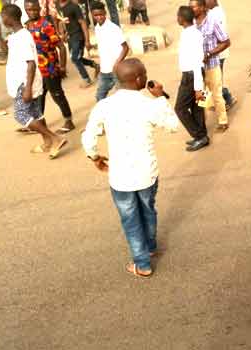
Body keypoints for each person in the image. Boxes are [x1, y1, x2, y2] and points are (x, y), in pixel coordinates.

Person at [81, 58, 179, 278]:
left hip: (121, 177)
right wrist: (161, 97)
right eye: (144, 74)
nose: (146, 77)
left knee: (130, 219)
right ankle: (151, 247)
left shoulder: (104, 105)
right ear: (139, 79)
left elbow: (88, 137)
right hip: (147, 173)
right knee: (148, 210)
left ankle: (142, 263)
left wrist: (95, 156)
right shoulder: (149, 104)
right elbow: (173, 126)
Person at [0, 4, 66, 158]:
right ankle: (47, 142)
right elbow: (7, 52)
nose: (1, 19)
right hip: (24, 82)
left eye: (2, 16)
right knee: (35, 112)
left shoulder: (23, 37)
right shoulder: (15, 36)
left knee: (20, 114)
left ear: (8, 18)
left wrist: (27, 88)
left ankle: (55, 138)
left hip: (24, 83)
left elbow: (31, 63)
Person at [24, 0, 74, 134]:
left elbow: (61, 47)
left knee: (57, 94)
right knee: (39, 96)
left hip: (50, 68)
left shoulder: (46, 25)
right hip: (37, 70)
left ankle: (69, 120)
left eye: (35, 9)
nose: (32, 12)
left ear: (38, 9)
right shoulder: (27, 26)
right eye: (29, 10)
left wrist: (62, 67)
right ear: (25, 10)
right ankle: (38, 123)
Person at [190, 0, 230, 131]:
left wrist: (209, 53)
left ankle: (223, 121)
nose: (191, 9)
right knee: (202, 97)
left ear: (202, 7)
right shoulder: (191, 24)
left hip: (212, 66)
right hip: (197, 69)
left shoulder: (213, 20)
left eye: (193, 7)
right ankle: (203, 125)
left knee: (217, 95)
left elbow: (226, 42)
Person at [175, 5, 209, 152]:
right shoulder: (189, 32)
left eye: (178, 16)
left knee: (180, 108)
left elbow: (196, 61)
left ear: (182, 19)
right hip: (194, 74)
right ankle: (201, 136)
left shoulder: (192, 35)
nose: (177, 18)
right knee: (197, 107)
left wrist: (198, 88)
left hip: (192, 76)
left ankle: (200, 135)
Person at [90, 1, 129, 101]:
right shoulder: (97, 28)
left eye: (101, 14)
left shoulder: (113, 28)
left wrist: (117, 63)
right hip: (104, 71)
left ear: (105, 13)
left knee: (122, 97)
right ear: (92, 15)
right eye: (96, 15)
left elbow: (125, 48)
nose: (99, 17)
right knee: (100, 97)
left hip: (116, 70)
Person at [57, 0, 98, 88]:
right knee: (76, 58)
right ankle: (94, 65)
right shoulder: (58, 6)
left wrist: (87, 40)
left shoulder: (74, 6)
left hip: (78, 35)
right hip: (70, 37)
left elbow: (83, 23)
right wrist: (63, 34)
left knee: (74, 58)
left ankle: (86, 79)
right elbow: (61, 21)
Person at [210, 0, 236, 110]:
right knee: (212, 81)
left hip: (217, 54)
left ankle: (226, 100)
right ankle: (214, 101)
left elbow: (221, 38)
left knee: (216, 81)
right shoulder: (212, 9)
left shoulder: (216, 14)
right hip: (211, 54)